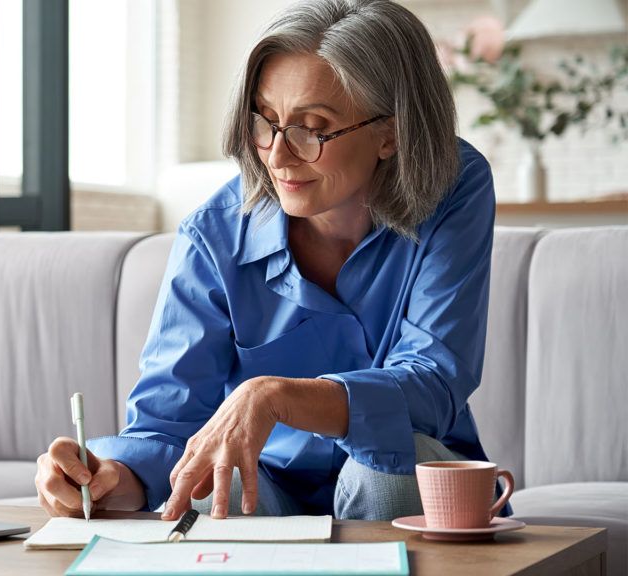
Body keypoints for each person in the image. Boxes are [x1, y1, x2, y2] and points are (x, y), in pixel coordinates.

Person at [36, 0, 505, 522]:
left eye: (312, 127)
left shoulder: (454, 186)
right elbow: (167, 428)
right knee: (208, 486)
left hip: (404, 474)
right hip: (271, 485)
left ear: (390, 133)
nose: (277, 156)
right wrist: (106, 480)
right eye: (266, 122)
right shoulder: (212, 234)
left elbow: (434, 380)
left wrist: (277, 396)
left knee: (386, 466)